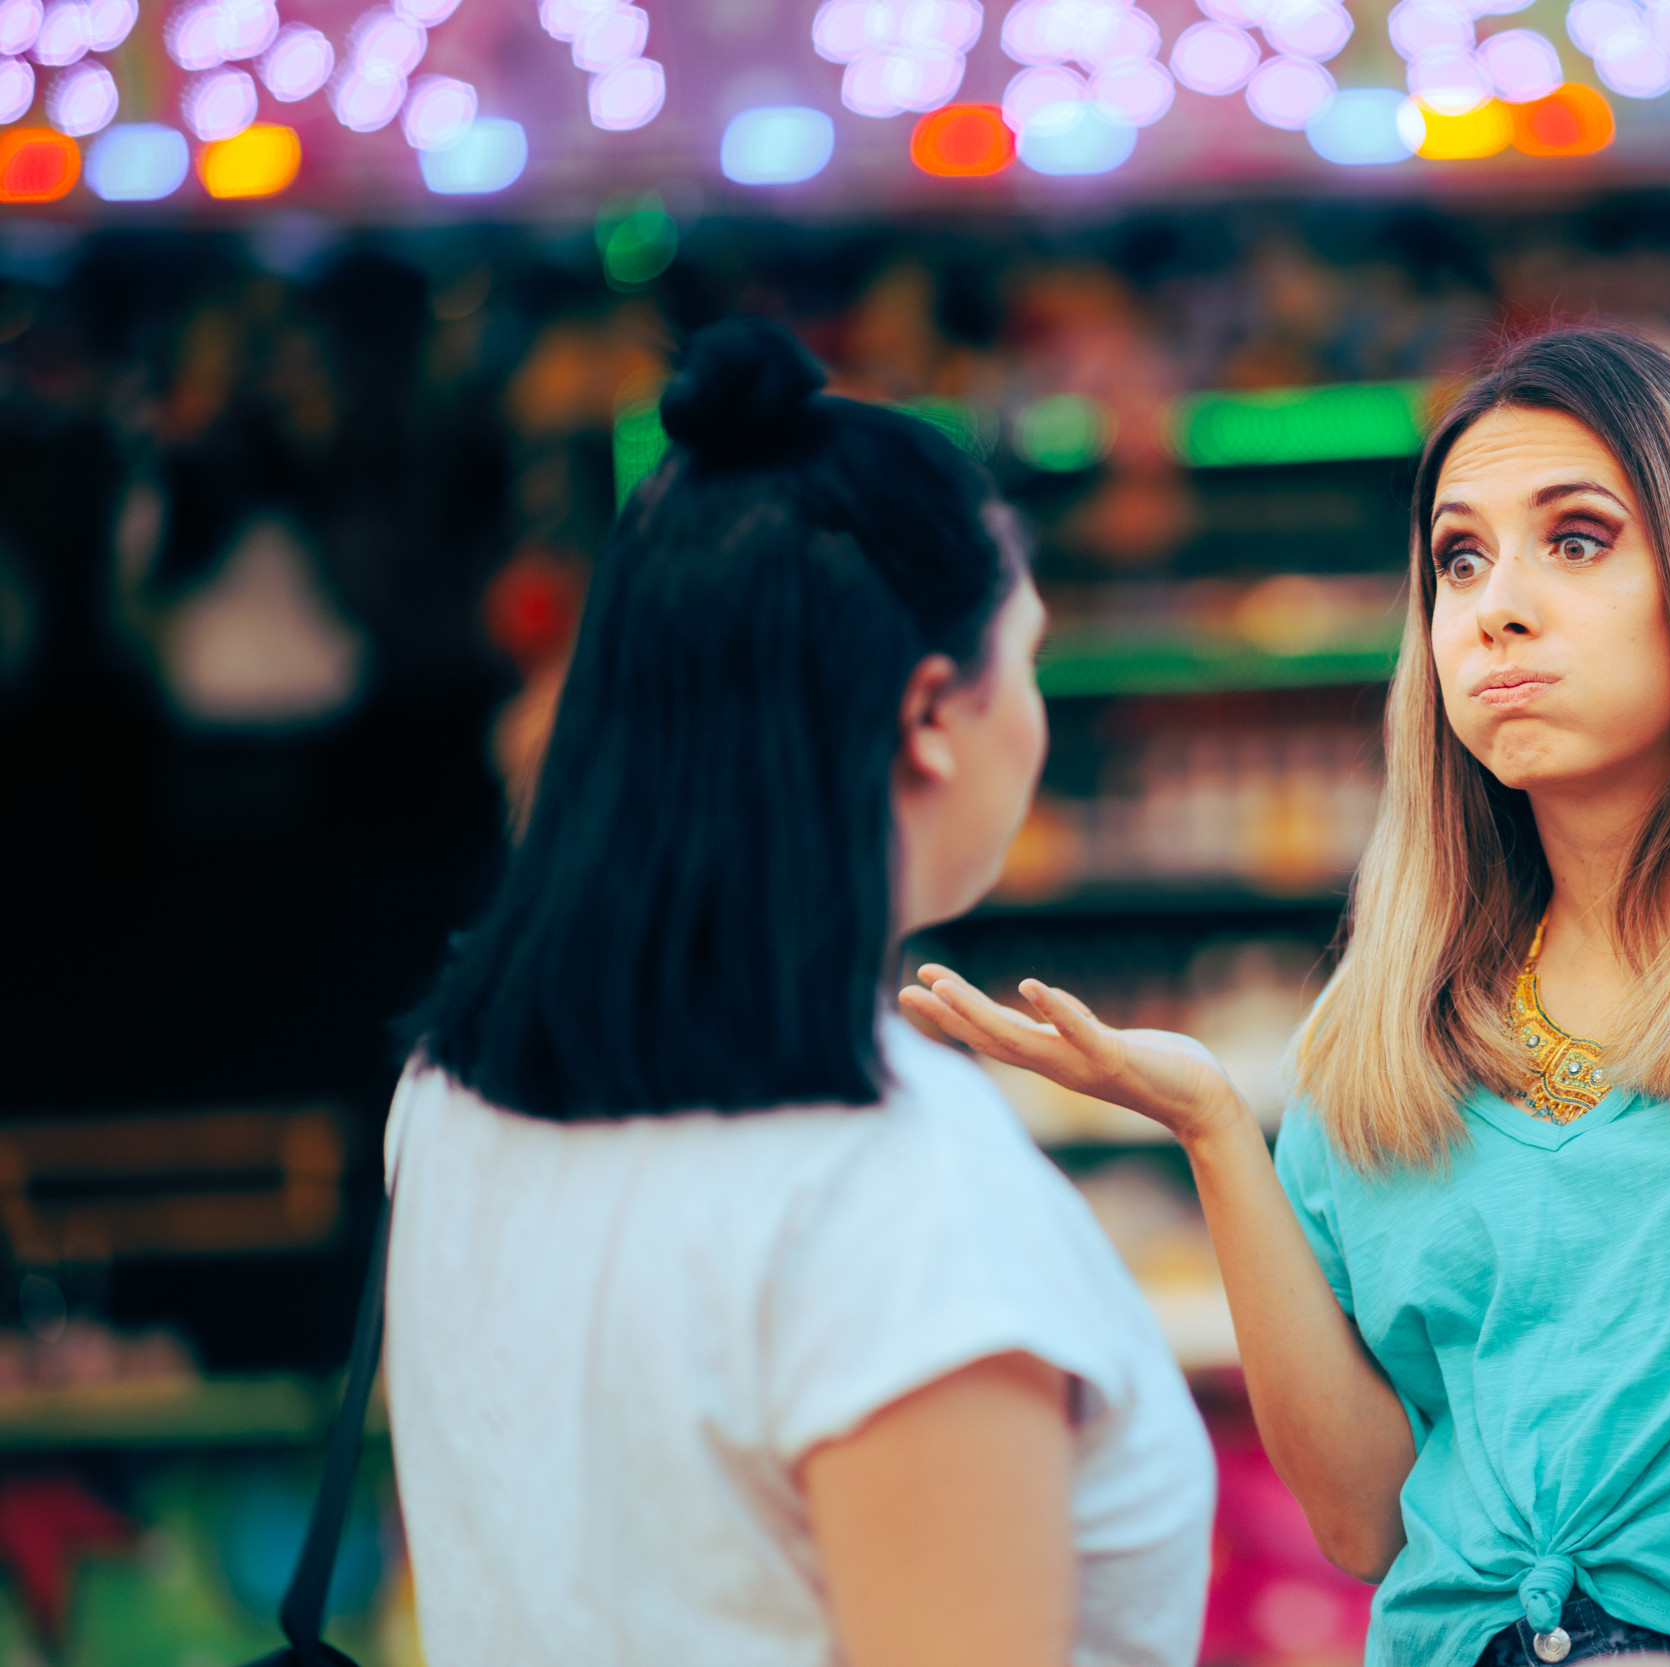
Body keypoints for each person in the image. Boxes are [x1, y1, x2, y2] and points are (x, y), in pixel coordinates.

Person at [906, 326, 1670, 1667]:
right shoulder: (1383, 1023)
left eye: (1580, 541)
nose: (1498, 608)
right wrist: (1210, 1131)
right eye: (1460, 558)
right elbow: (1366, 1524)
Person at [386, 318, 1214, 1667]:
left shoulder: (453, 1096)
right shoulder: (899, 1187)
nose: (1041, 715)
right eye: (1034, 657)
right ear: (933, 712)